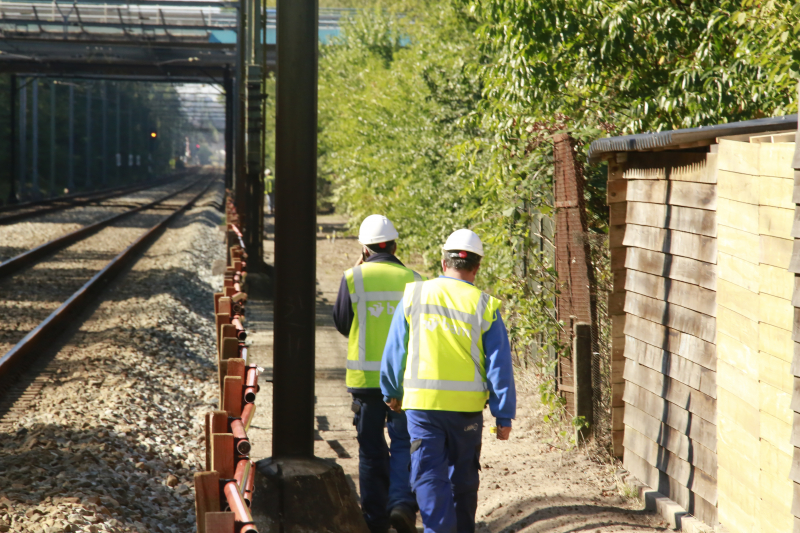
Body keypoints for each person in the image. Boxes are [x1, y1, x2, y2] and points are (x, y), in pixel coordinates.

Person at [380, 229, 516, 533]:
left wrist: (391, 391)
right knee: (463, 479)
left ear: (444, 262)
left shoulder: (414, 294)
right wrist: (503, 414)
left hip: (422, 408)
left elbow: (395, 350)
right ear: (477, 267)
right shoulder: (484, 305)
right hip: (465, 411)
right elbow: (499, 366)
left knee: (428, 476)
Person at [333, 214, 424, 533]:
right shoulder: (414, 280)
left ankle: (375, 520)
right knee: (403, 444)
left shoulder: (353, 278)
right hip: (404, 383)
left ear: (365, 248)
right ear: (395, 245)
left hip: (365, 383)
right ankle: (401, 504)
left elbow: (343, 324)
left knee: (371, 451)